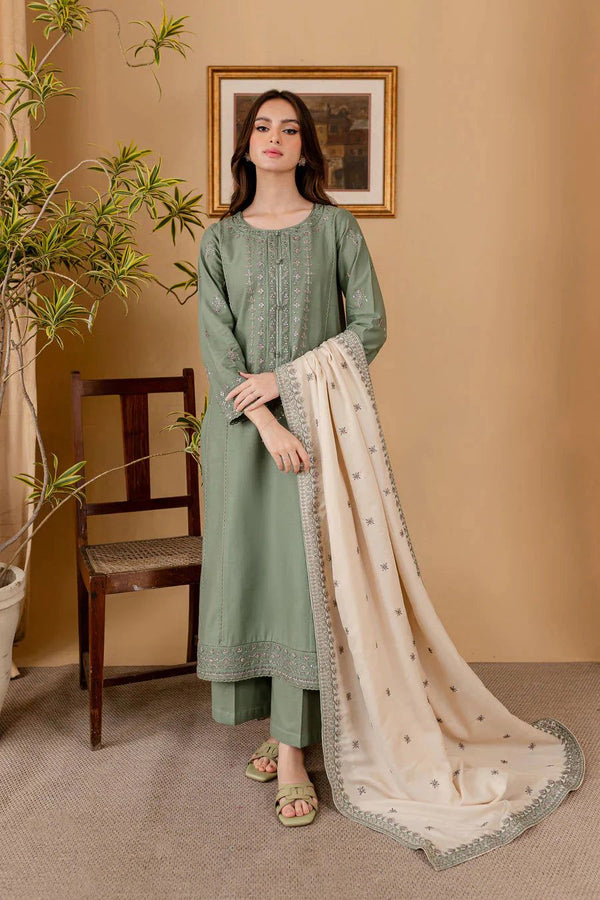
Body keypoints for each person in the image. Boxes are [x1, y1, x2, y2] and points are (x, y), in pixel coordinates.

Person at [196, 88, 386, 824]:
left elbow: (370, 326)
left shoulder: (336, 229)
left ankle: (296, 752)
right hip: (247, 438)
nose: (274, 137)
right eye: (262, 126)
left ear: (306, 149)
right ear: (245, 146)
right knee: (255, 581)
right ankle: (282, 728)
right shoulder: (219, 239)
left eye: (290, 128)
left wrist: (290, 387)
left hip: (320, 430)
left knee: (305, 582)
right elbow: (219, 348)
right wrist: (269, 422)